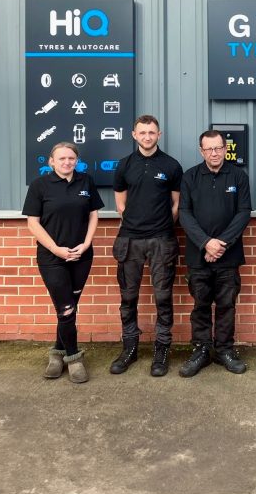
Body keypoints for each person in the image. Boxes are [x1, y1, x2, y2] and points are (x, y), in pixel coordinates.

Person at [23, 142, 104, 383]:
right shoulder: (40, 185)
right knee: (66, 309)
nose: (67, 162)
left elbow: (93, 214)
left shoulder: (85, 181)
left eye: (71, 158)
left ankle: (57, 352)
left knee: (68, 309)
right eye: (62, 158)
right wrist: (56, 249)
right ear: (51, 161)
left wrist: (87, 244)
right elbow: (33, 223)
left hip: (81, 257)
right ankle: (74, 358)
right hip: (52, 258)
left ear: (76, 160)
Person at [109, 115, 183, 377]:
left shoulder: (171, 165)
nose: (147, 136)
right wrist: (136, 223)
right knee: (128, 298)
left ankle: (161, 350)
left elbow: (176, 205)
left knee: (163, 298)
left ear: (159, 135)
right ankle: (129, 348)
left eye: (152, 132)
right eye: (142, 132)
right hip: (130, 240)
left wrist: (159, 224)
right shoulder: (124, 165)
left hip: (162, 240)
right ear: (134, 135)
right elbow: (120, 204)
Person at [177, 130, 252, 377]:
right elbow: (185, 214)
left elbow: (243, 213)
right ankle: (200, 350)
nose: (214, 153)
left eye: (218, 148)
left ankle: (224, 351)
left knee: (226, 305)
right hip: (198, 256)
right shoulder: (190, 177)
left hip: (228, 256)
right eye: (209, 149)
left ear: (224, 148)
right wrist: (206, 243)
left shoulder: (238, 176)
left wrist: (220, 244)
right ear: (201, 151)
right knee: (200, 305)